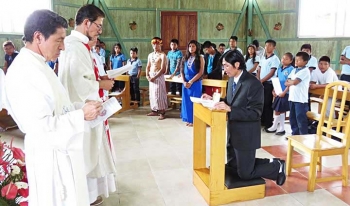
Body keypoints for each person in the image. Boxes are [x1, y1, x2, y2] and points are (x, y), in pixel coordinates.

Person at [5, 9, 103, 206]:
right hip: (50, 159)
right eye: (59, 40)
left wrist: (80, 107)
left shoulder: (40, 65)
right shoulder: (23, 72)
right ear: (39, 37)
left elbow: (58, 106)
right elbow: (41, 127)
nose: (63, 47)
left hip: (62, 153)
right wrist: (80, 116)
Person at [58, 4, 117, 205]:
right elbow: (77, 82)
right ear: (86, 23)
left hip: (86, 108)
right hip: (80, 110)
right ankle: (85, 197)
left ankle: (89, 194)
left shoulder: (79, 45)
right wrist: (102, 84)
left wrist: (99, 81)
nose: (100, 31)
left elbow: (83, 76)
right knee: (84, 153)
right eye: (98, 26)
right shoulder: (74, 46)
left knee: (91, 151)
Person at [202, 50, 286, 185]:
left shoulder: (253, 84)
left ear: (237, 64)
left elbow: (255, 113)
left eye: (226, 66)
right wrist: (215, 99)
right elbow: (231, 102)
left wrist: (230, 109)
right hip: (233, 133)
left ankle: (276, 167)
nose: (224, 69)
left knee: (245, 173)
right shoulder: (231, 80)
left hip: (246, 135)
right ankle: (273, 162)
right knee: (234, 166)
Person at [265, 52, 294, 135]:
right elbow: (276, 79)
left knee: (281, 110)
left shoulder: (291, 69)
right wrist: (274, 90)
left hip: (285, 92)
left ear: (291, 61)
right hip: (278, 92)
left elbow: (289, 82)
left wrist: (285, 92)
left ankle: (279, 127)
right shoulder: (280, 68)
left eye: (286, 59)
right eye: (283, 58)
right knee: (277, 109)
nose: (283, 60)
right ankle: (277, 127)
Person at [285, 52, 311, 135]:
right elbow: (287, 82)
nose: (296, 61)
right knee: (292, 118)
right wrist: (291, 82)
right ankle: (295, 135)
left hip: (300, 99)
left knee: (300, 119)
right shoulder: (293, 70)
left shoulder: (305, 71)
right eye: (296, 60)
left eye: (299, 60)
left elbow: (295, 82)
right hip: (292, 98)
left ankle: (303, 136)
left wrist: (291, 82)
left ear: (305, 62)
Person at [257, 39, 280, 130]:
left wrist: (261, 81)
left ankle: (268, 123)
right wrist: (258, 80)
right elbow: (259, 69)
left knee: (267, 103)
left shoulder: (275, 59)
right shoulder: (263, 58)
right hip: (261, 82)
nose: (267, 47)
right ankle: (262, 121)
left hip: (269, 83)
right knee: (261, 102)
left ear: (274, 47)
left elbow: (272, 72)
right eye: (266, 45)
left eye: (270, 45)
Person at [181, 40, 204, 127]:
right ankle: (188, 119)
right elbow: (182, 71)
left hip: (195, 82)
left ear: (197, 47)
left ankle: (195, 120)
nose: (191, 48)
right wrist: (184, 81)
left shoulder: (200, 58)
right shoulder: (185, 58)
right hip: (186, 82)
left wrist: (191, 81)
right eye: (190, 46)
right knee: (186, 101)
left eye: (193, 46)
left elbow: (200, 72)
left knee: (195, 101)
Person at [145, 37, 168, 120]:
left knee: (159, 94)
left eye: (157, 44)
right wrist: (147, 76)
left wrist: (154, 77)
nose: (155, 45)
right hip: (151, 76)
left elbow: (163, 69)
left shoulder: (162, 55)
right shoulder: (150, 55)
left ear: (160, 45)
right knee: (152, 94)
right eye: (154, 44)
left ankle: (162, 112)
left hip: (158, 76)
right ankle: (154, 110)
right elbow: (148, 66)